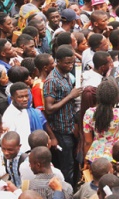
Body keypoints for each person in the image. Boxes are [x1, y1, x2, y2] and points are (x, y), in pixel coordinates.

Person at [43, 46, 82, 185]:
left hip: (70, 127)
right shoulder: (52, 81)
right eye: (67, 63)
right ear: (57, 61)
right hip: (61, 130)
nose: (70, 66)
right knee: (67, 166)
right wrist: (70, 96)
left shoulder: (65, 75)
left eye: (72, 62)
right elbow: (48, 109)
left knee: (73, 162)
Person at [83, 78, 119, 163]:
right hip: (115, 156)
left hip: (95, 157)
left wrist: (85, 160)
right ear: (116, 97)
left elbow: (88, 141)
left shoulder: (89, 113)